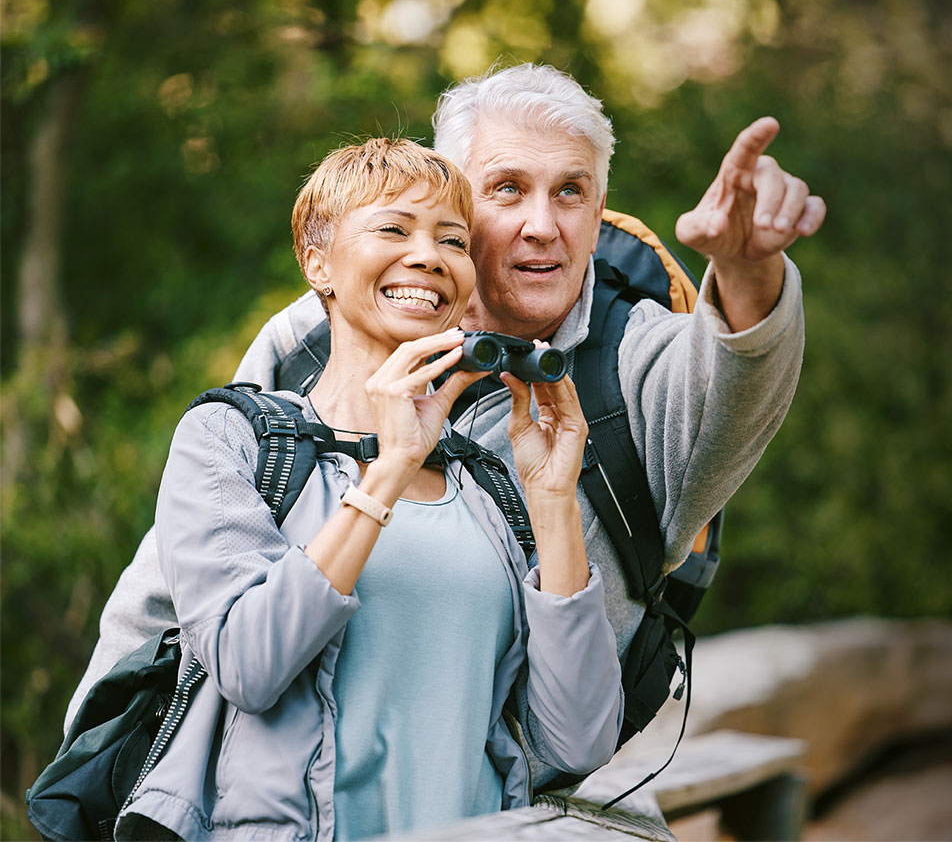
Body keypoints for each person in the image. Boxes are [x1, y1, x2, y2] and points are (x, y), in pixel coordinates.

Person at [68, 63, 823, 784]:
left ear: (599, 212)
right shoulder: (315, 337)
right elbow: (183, 569)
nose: (541, 224)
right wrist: (96, 758)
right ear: (456, 196)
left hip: (494, 808)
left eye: (570, 193)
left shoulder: (639, 370)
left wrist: (750, 268)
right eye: (506, 189)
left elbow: (737, 375)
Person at [114, 138, 623, 841]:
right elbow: (248, 665)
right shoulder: (228, 441)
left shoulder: (485, 486)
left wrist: (554, 496)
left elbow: (579, 742)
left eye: (451, 240)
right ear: (316, 264)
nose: (428, 255)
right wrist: (387, 468)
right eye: (392, 228)